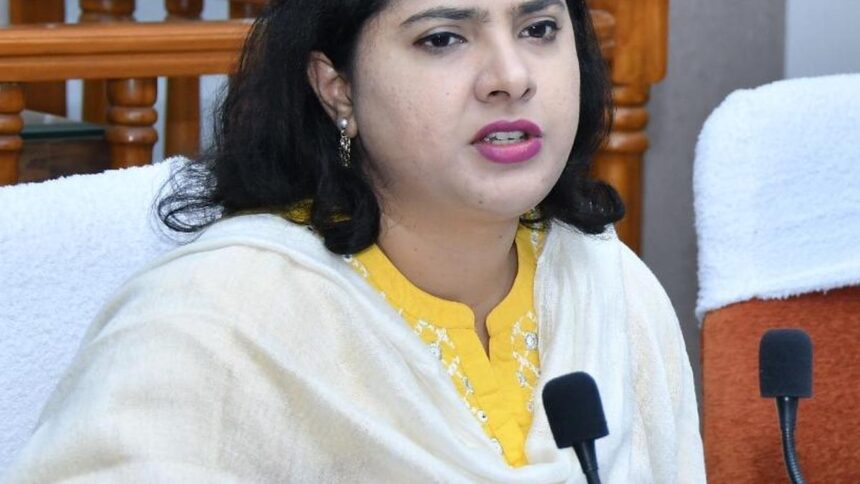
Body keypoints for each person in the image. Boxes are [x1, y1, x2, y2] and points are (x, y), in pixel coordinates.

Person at [4, 0, 705, 482]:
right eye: (443, 38)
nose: (511, 77)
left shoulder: (611, 289)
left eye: (540, 28)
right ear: (337, 88)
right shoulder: (214, 323)